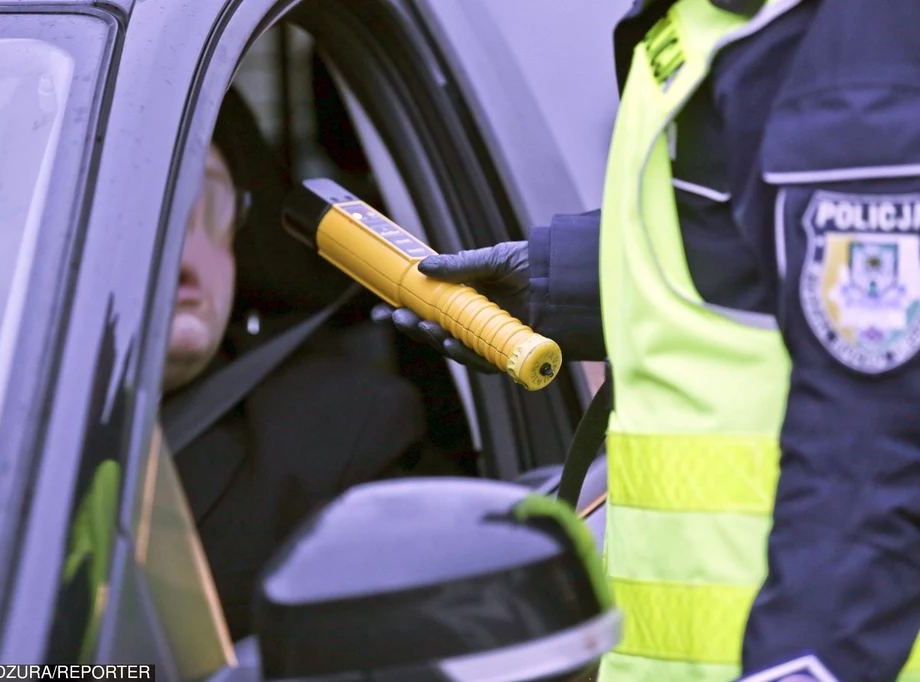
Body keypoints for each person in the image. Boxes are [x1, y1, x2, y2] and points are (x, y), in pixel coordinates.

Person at [392, 1, 920, 681]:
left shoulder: (841, 41)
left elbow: (873, 442)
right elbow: (748, 227)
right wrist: (568, 282)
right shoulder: (730, 17)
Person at [160, 87, 437, 642]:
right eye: (147, 213)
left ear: (242, 224)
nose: (185, 255)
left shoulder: (349, 431)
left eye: (206, 203)